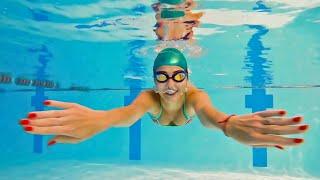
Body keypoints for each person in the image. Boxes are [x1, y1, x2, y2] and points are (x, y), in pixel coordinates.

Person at [19, 48, 309, 149]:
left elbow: (206, 113)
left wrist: (227, 124)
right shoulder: (150, 99)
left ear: (187, 76)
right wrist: (100, 119)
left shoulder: (195, 95)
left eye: (178, 76)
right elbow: (127, 114)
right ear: (154, 80)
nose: (170, 84)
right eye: (162, 76)